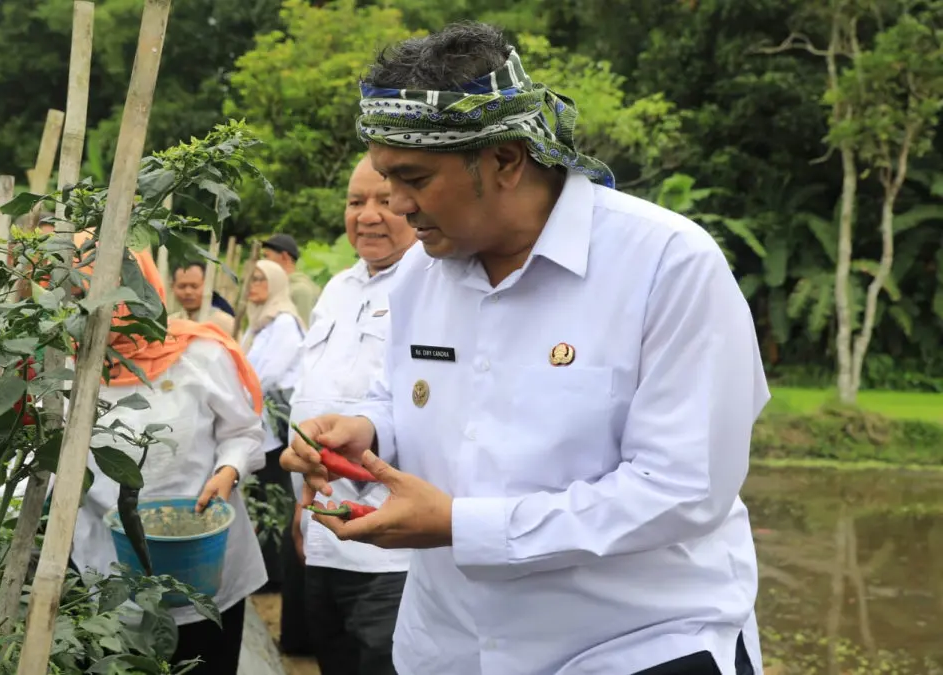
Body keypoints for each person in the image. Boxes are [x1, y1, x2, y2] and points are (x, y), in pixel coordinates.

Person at [281, 21, 768, 675]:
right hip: (449, 646)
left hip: (634, 646)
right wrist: (365, 430)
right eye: (385, 178)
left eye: (414, 178)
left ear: (506, 160)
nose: (396, 205)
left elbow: (683, 489)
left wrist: (462, 523)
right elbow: (410, 400)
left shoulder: (666, 266)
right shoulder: (422, 273)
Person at [69, 233, 268, 675]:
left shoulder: (200, 353)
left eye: (122, 289)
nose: (110, 307)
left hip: (206, 559)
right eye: (85, 292)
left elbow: (245, 431)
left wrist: (229, 469)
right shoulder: (67, 369)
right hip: (108, 565)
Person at [287, 154, 417, 675]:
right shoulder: (338, 289)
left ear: (413, 203)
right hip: (324, 529)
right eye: (355, 201)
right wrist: (303, 504)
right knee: (333, 659)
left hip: (392, 547)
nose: (367, 215)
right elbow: (312, 397)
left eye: (384, 201)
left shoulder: (433, 283)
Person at [242, 259, 306, 590]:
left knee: (275, 500)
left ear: (277, 284)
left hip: (275, 429)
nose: (252, 285)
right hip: (259, 425)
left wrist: (237, 395)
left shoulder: (283, 323)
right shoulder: (259, 323)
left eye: (260, 279)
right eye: (251, 278)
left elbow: (267, 375)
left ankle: (275, 576)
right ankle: (268, 571)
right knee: (263, 497)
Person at [260, 233, 320, 325]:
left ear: (284, 256)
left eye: (267, 256)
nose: (264, 261)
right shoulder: (282, 288)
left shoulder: (300, 290)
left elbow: (304, 331)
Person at [170, 262, 236, 334]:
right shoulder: (170, 322)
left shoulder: (224, 323)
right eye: (182, 286)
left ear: (208, 286)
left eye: (194, 286)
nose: (188, 292)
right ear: (172, 287)